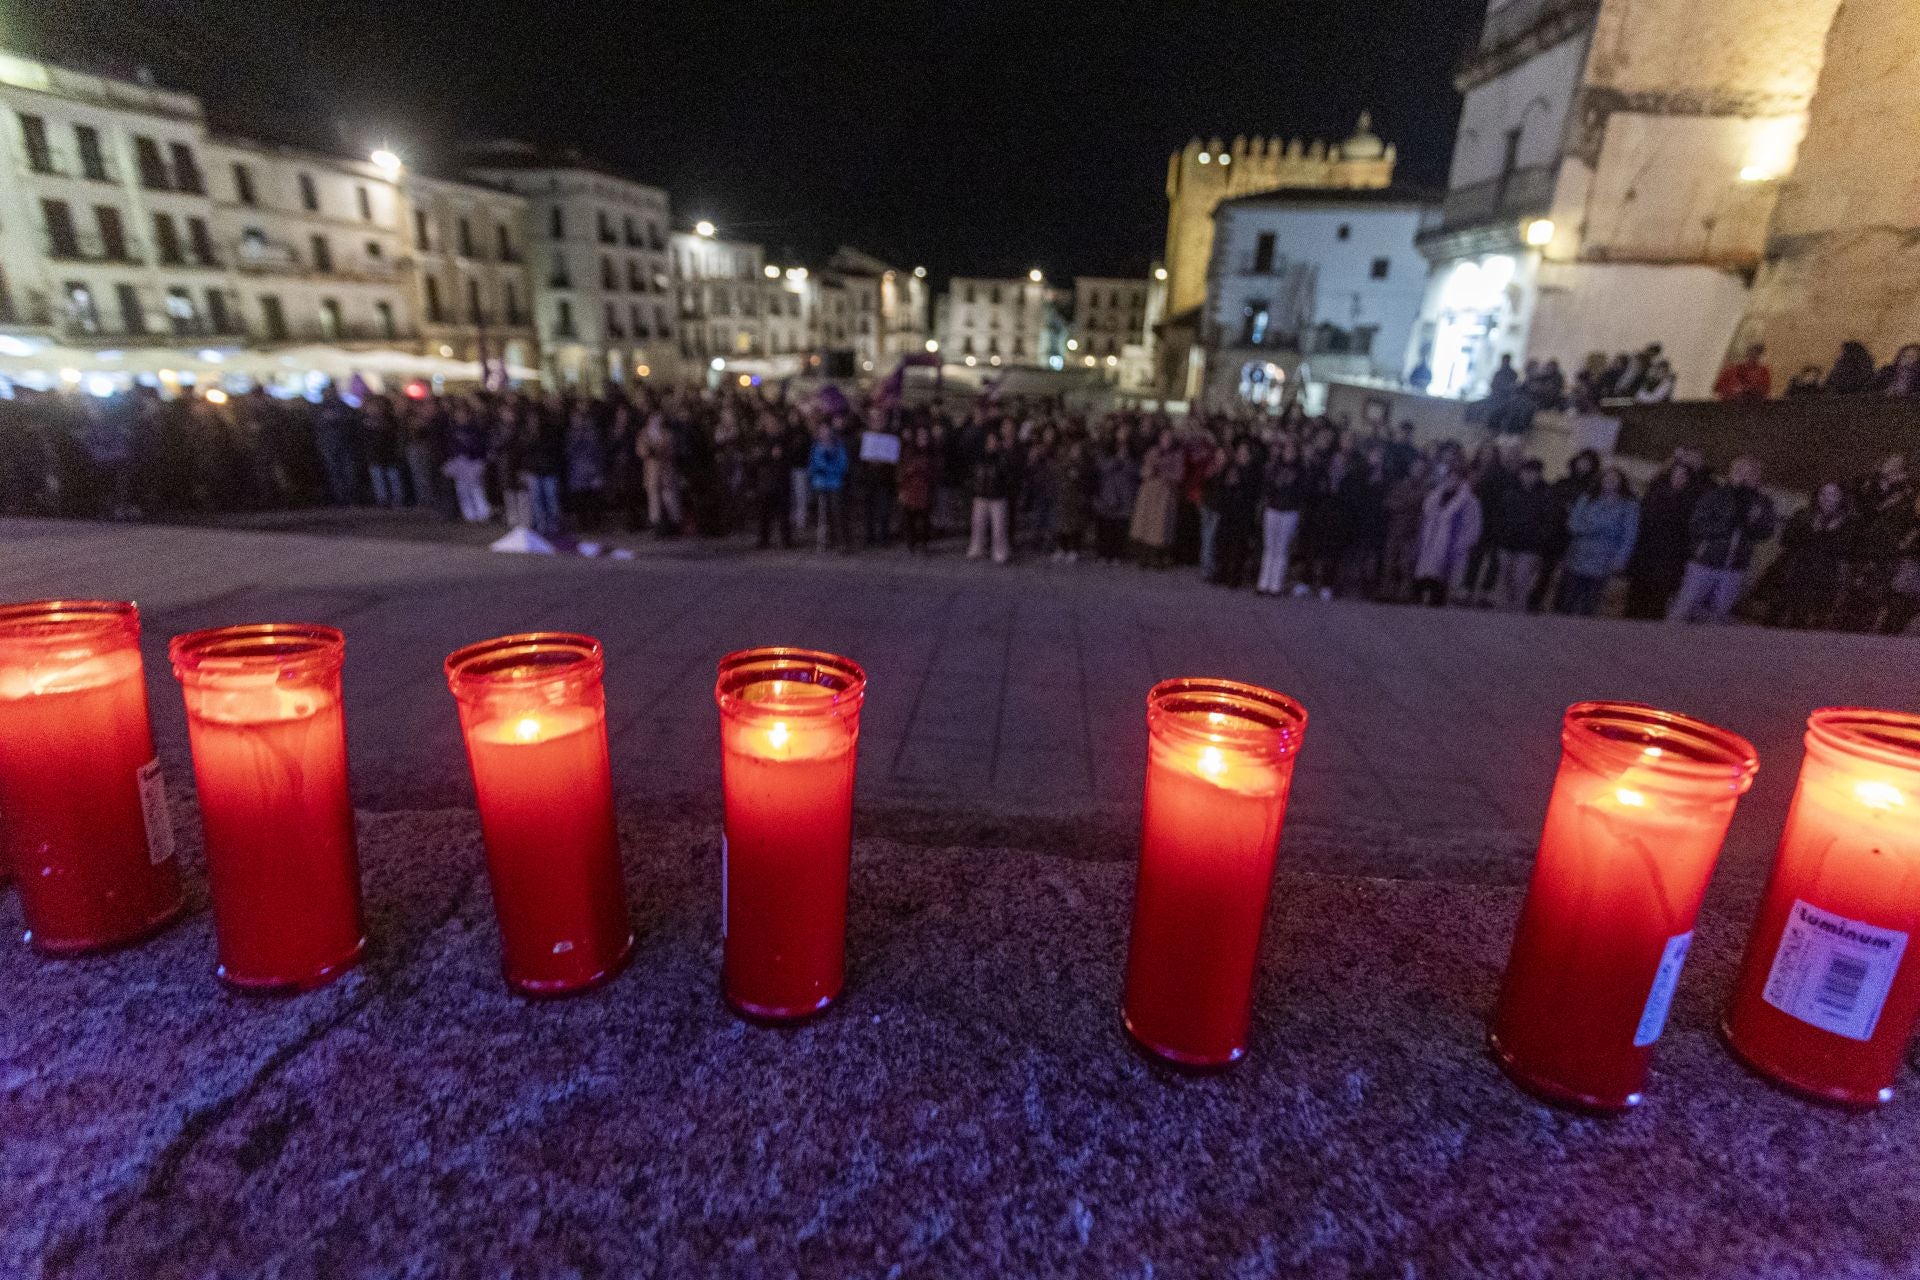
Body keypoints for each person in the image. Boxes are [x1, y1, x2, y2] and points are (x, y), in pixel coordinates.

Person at [1668, 456, 1776, 623]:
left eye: (1751, 473)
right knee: (1684, 609)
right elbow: (1697, 524)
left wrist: (1752, 523)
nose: (1745, 476)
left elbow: (1766, 532)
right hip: (1704, 563)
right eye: (1740, 471)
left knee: (1717, 616)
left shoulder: (1763, 503)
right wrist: (1727, 525)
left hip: (1734, 569)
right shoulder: (1715, 495)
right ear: (1731, 473)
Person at [1623, 456, 1705, 619]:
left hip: (1670, 560)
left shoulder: (1692, 502)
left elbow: (1690, 532)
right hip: (1646, 555)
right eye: (1675, 475)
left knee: (1657, 602)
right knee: (1635, 598)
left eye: (1683, 476)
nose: (1678, 479)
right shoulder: (1655, 494)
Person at [1764, 482, 1852, 629]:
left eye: (1832, 494)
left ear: (1840, 498)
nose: (1827, 498)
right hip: (1794, 572)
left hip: (1820, 579)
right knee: (1775, 614)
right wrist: (1809, 529)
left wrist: (1829, 534)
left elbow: (1845, 551)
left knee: (1801, 621)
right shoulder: (1803, 515)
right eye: (1823, 494)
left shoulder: (1847, 524)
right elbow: (1786, 539)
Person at [1556, 467, 1640, 616]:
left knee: (1589, 605)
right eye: (1607, 478)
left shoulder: (1628, 505)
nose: (1610, 482)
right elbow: (1572, 524)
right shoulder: (1587, 498)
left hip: (1604, 561)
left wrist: (1620, 560)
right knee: (1566, 602)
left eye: (1614, 479)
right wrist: (1597, 527)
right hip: (1577, 556)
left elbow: (1629, 536)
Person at [1411, 465, 1483, 606]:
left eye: (1456, 478)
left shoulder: (1470, 502)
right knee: (1425, 576)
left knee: (1442, 581)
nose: (1452, 480)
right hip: (1430, 544)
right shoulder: (1435, 496)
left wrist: (1463, 544)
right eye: (1450, 477)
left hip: (1452, 547)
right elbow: (1426, 516)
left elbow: (1473, 527)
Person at [1492, 460, 1558, 612]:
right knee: (1505, 576)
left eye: (1533, 473)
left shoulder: (1546, 494)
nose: (1529, 476)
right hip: (1507, 542)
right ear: (1521, 473)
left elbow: (1549, 521)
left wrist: (1540, 539)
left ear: (1539, 475)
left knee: (1521, 579)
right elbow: (1499, 515)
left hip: (1530, 545)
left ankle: (1518, 610)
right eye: (1526, 472)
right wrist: (1500, 535)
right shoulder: (1509, 491)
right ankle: (1504, 608)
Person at [1255, 438, 1307, 595]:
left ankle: (1276, 584)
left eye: (1292, 451)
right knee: (1269, 546)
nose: (1288, 453)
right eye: (1286, 450)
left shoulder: (1300, 470)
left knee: (1282, 548)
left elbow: (1301, 492)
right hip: (1273, 508)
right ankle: (1263, 582)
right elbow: (1268, 487)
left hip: (1289, 511)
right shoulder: (1275, 467)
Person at [1210, 439, 1263, 589]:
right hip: (1228, 512)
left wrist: (1239, 484)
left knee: (1239, 547)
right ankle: (1222, 572)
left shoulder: (1253, 471)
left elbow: (1253, 493)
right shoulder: (1230, 468)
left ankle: (1235, 577)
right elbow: (1221, 486)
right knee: (1223, 544)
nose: (1241, 456)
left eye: (1245, 453)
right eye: (1240, 453)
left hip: (1243, 514)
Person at [1378, 454, 1431, 602]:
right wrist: (1407, 504)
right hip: (1395, 528)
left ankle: (1404, 594)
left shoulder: (1426, 488)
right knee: (1389, 562)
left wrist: (1404, 504)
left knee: (1406, 565)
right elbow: (1388, 503)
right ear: (1410, 468)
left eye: (1421, 468)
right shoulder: (1399, 484)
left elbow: (1426, 507)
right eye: (1416, 467)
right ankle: (1386, 590)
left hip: (1412, 531)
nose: (1418, 470)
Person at [1129, 428, 1183, 568]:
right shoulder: (1152, 452)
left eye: (1169, 438)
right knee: (1145, 524)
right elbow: (1143, 470)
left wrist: (1165, 474)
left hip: (1165, 495)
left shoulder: (1177, 454)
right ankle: (1144, 556)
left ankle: (1158, 556)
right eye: (1164, 437)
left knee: (1161, 527)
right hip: (1149, 493)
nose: (1167, 440)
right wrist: (1151, 470)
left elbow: (1179, 475)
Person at [966, 430, 1013, 564]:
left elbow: (1008, 475)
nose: (992, 443)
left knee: (999, 527)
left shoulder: (1002, 457)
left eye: (994, 440)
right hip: (980, 494)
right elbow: (973, 473)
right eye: (990, 440)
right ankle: (976, 548)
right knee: (978, 525)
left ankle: (1000, 552)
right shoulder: (979, 456)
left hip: (998, 495)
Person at [442, 400, 491, 523]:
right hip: (459, 461)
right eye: (458, 414)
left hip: (473, 461)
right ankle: (469, 514)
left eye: (462, 414)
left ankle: (483, 512)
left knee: (475, 487)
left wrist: (477, 457)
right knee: (462, 489)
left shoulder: (474, 429)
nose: (460, 416)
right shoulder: (453, 429)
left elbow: (480, 445)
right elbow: (449, 446)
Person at [1050, 436, 1096, 562]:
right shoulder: (1063, 464)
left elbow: (1089, 482)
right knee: (1062, 526)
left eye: (1078, 450)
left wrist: (1079, 478)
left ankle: (1074, 550)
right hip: (1064, 499)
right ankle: (1062, 548)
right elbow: (1057, 477)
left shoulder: (1085, 465)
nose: (1075, 452)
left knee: (1075, 527)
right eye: (1073, 449)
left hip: (1078, 500)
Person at [1092, 438, 1137, 562]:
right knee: (1106, 529)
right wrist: (1116, 461)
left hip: (1124, 501)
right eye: (1121, 449)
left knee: (1119, 530)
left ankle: (1117, 554)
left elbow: (1134, 473)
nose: (1123, 451)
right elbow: (1102, 469)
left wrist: (1124, 462)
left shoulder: (1131, 463)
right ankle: (1103, 553)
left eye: (1125, 449)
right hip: (1107, 499)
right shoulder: (1108, 461)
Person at [808, 423, 850, 552]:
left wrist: (829, 469)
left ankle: (840, 541)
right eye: (822, 432)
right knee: (820, 513)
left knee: (836, 511)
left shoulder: (839, 448)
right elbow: (813, 465)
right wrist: (823, 469)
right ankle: (822, 540)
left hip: (835, 483)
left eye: (827, 431)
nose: (825, 434)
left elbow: (843, 466)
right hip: (820, 484)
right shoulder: (815, 448)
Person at [896, 426, 935, 553]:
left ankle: (924, 543)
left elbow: (935, 472)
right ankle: (911, 543)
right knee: (910, 518)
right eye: (920, 436)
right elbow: (901, 471)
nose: (923, 439)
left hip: (925, 489)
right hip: (910, 489)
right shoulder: (908, 452)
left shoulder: (931, 453)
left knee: (924, 519)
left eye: (925, 436)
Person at [363, 396, 404, 508]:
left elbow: (395, 438)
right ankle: (383, 499)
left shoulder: (391, 421)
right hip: (374, 455)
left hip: (390, 454)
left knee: (393, 477)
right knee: (378, 478)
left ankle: (397, 498)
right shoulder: (365, 423)